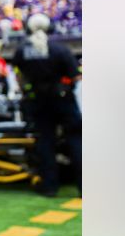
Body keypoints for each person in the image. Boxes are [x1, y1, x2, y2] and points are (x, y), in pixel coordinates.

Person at [10, 13, 82, 197]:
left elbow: (18, 76)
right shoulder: (60, 49)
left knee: (45, 143)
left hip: (38, 102)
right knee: (75, 140)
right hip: (63, 99)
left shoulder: (22, 51)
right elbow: (76, 75)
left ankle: (50, 186)